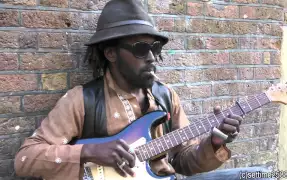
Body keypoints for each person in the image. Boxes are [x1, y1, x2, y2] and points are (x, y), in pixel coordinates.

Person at [14, 0, 272, 179]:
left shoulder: (165, 97)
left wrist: (214, 142)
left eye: (154, 48)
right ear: (111, 53)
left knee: (262, 176)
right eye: (140, 48)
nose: (150, 57)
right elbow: (25, 159)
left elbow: (184, 160)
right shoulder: (82, 100)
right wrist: (90, 152)